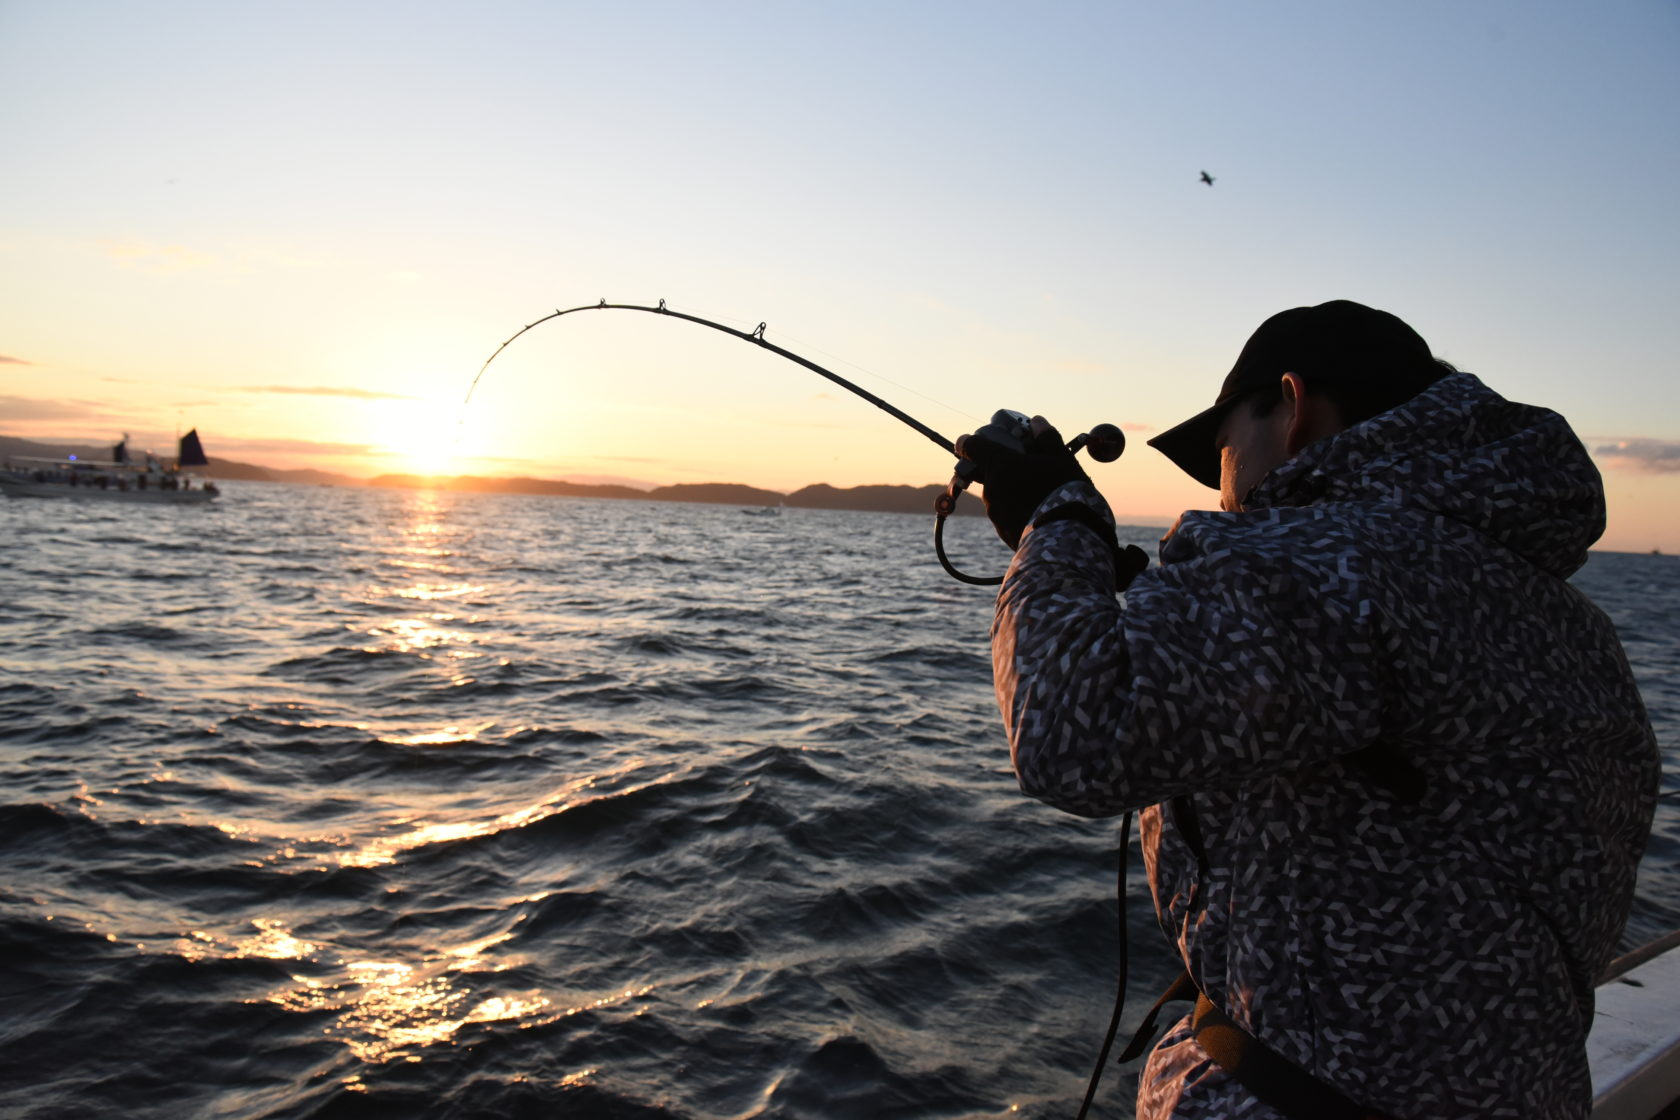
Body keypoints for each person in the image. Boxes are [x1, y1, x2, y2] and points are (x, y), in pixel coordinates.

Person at [956, 300, 1658, 1119]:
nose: (1223, 491)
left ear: (1293, 408)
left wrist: (1060, 519)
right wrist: (1159, 614)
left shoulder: (1342, 560)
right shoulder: (1551, 611)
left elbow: (1069, 730)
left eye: (1222, 447)